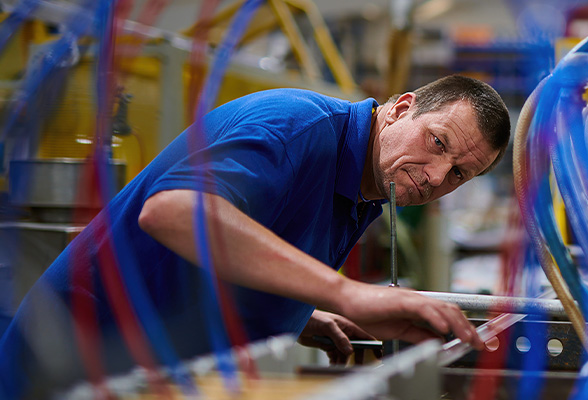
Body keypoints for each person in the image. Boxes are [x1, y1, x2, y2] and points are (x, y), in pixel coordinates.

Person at [0, 74, 511, 397]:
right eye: (437, 142)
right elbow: (174, 212)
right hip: (69, 366)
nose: (437, 176)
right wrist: (348, 292)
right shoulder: (296, 126)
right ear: (402, 108)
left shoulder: (366, 188)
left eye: (460, 174)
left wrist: (297, 309)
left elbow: (239, 243)